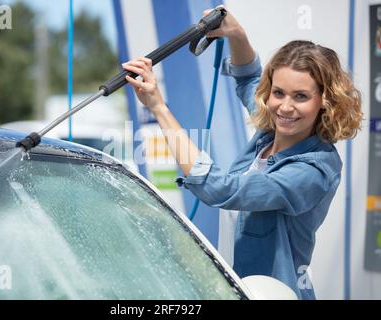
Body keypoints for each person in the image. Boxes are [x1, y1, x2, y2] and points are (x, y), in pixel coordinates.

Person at [122, 8, 363, 300]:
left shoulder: (313, 170)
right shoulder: (270, 131)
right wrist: (236, 34)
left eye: (300, 96)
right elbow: (249, 78)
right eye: (278, 93)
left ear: (325, 101)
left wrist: (159, 107)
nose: (285, 107)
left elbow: (216, 187)